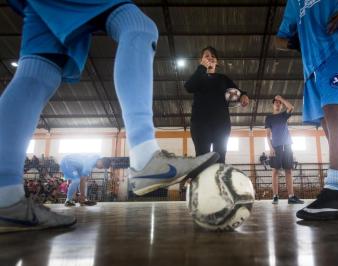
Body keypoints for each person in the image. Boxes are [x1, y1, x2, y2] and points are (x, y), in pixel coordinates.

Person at [0, 0, 218, 233]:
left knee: (39, 71)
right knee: (137, 26)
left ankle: (5, 199)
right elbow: (82, 178)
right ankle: (145, 158)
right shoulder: (89, 159)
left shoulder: (90, 158)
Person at [275, 0, 338, 220]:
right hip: (313, 64)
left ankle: (334, 193)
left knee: (337, 113)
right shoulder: (294, 2)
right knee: (330, 121)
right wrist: (293, 42)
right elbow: (278, 39)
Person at [184, 46, 250, 164]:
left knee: (220, 158)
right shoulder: (198, 77)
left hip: (221, 124)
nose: (210, 58)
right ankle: (202, 182)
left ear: (217, 61)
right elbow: (188, 87)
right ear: (201, 60)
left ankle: (218, 182)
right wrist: (202, 68)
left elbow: (237, 91)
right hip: (200, 124)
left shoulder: (223, 78)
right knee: (202, 158)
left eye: (213, 56)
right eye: (206, 56)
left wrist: (243, 96)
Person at [265, 96, 304, 204]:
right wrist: (270, 147)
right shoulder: (269, 118)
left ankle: (291, 197)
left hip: (287, 145)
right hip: (276, 147)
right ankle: (275, 196)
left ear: (281, 105)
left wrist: (281, 98)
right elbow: (268, 135)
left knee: (289, 171)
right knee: (275, 171)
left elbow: (291, 107)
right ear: (273, 105)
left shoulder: (284, 115)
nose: (277, 104)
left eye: (279, 103)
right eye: (276, 103)